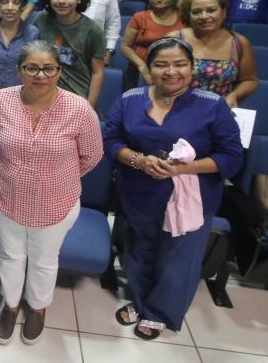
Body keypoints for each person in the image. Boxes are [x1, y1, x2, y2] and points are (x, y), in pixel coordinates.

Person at [103, 37, 243, 339]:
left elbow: (232, 156)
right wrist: (140, 161)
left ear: (192, 68)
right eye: (161, 64)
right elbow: (111, 141)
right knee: (139, 251)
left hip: (192, 199)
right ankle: (140, 302)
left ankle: (159, 312)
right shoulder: (130, 99)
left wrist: (184, 167)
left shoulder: (212, 105)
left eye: (180, 64)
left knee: (177, 259)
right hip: (139, 191)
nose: (171, 72)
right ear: (148, 68)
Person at [0, 40, 103, 344]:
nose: (40, 74)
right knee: (11, 253)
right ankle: (10, 305)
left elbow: (92, 155)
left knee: (44, 260)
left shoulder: (79, 109)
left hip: (57, 201)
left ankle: (37, 307)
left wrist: (55, 178)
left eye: (49, 68)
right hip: (5, 195)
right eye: (32, 68)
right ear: (19, 70)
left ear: (59, 71)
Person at [169, 0, 258, 108]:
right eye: (196, 12)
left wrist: (234, 95)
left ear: (223, 12)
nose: (204, 16)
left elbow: (250, 80)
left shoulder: (239, 42)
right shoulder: (174, 39)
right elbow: (158, 76)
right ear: (189, 15)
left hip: (219, 110)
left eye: (211, 10)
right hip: (178, 108)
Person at [31, 0, 106, 107]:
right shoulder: (41, 19)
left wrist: (89, 107)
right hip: (43, 97)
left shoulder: (93, 30)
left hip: (77, 99)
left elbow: (97, 72)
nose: (62, 0)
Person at [120, 0, 184, 88]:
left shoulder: (184, 18)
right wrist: (142, 67)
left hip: (175, 71)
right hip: (139, 70)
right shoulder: (140, 17)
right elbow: (125, 47)